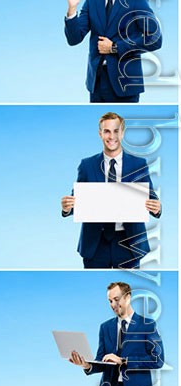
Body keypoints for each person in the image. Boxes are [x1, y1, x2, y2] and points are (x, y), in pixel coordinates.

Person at [61, 112, 162, 269]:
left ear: (122, 133)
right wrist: (67, 208)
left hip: (129, 242)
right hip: (96, 243)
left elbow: (151, 198)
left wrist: (157, 208)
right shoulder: (87, 165)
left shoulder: (138, 164)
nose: (111, 136)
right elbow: (78, 200)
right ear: (100, 133)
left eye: (116, 131)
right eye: (107, 131)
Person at [64, 0, 162, 103]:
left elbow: (155, 39)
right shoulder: (92, 0)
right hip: (96, 84)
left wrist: (115, 47)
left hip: (125, 84)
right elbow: (74, 38)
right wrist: (72, 9)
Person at [69, 281, 164, 386]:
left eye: (116, 299)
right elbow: (102, 360)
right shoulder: (105, 327)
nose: (113, 304)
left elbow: (157, 360)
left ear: (128, 297)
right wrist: (87, 365)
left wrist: (124, 361)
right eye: (109, 301)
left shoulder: (147, 325)